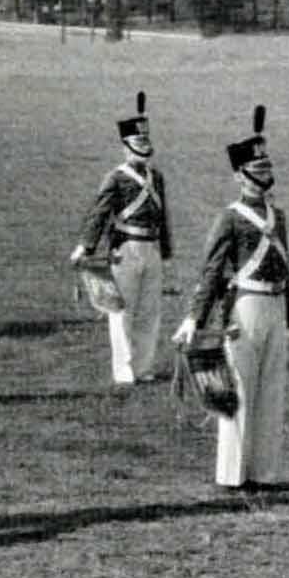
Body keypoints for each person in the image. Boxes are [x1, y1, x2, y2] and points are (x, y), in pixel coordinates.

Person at [173, 106, 289, 490]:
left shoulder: (279, 216)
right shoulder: (229, 218)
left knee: (272, 390)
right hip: (244, 306)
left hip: (274, 306)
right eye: (255, 170)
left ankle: (264, 471)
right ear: (239, 176)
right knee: (240, 389)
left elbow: (285, 268)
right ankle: (232, 475)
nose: (262, 176)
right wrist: (194, 318)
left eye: (265, 169)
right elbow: (211, 272)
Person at [71, 90, 174, 384]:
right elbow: (99, 213)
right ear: (125, 147)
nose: (142, 149)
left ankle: (143, 366)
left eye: (145, 142)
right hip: (125, 249)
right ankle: (124, 369)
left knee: (148, 312)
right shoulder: (115, 178)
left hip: (151, 248)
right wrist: (85, 246)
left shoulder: (157, 177)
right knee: (122, 310)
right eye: (136, 144)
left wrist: (166, 251)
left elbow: (162, 217)